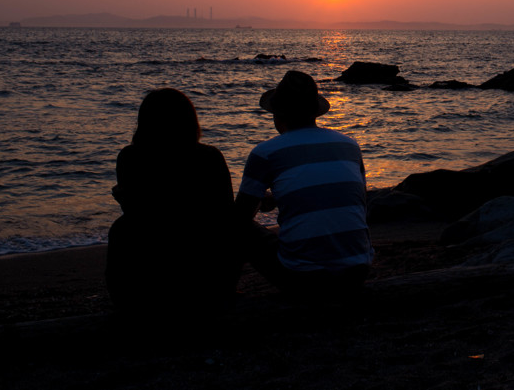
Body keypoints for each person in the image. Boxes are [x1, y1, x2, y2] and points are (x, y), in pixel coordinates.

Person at [105, 88, 240, 320]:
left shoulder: (130, 157)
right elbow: (226, 212)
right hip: (207, 280)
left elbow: (141, 218)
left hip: (147, 284)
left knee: (122, 228)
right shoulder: (210, 157)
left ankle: (138, 304)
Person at [236, 70, 373, 297]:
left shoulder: (265, 153)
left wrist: (259, 202)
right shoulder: (349, 145)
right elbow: (348, 199)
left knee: (239, 227)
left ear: (277, 115)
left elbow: (241, 217)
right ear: (314, 114)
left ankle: (224, 291)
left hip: (303, 279)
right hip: (358, 271)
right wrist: (277, 198)